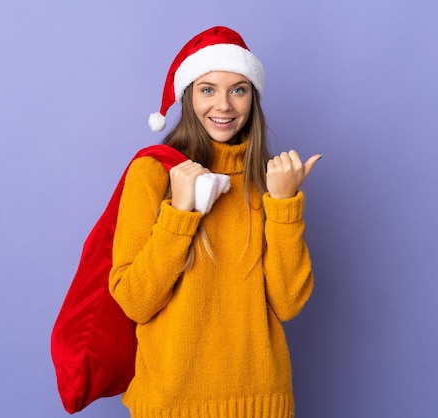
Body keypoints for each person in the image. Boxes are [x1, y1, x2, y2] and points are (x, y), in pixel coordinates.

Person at [109, 25, 320, 417]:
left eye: (238, 89)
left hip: (262, 400)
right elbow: (136, 301)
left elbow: (288, 304)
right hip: (171, 404)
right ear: (189, 96)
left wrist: (284, 203)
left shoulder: (267, 181)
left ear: (252, 99)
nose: (223, 105)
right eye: (208, 89)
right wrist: (179, 214)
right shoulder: (153, 173)